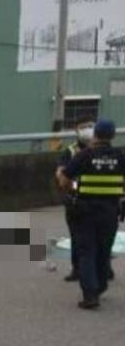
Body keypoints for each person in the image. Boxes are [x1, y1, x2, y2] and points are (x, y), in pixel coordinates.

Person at [56, 119, 124, 309]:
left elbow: (64, 180)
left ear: (95, 135)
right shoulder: (120, 156)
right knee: (103, 250)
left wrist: (68, 183)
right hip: (110, 211)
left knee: (87, 251)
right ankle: (101, 286)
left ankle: (90, 294)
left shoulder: (85, 155)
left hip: (85, 210)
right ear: (112, 136)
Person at [56, 120, 94, 281]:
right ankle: (77, 269)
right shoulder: (70, 151)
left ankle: (104, 268)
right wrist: (74, 187)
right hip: (76, 199)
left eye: (91, 127)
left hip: (100, 200)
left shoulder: (105, 152)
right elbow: (61, 175)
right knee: (77, 236)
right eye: (83, 127)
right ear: (76, 131)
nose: (87, 131)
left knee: (100, 237)